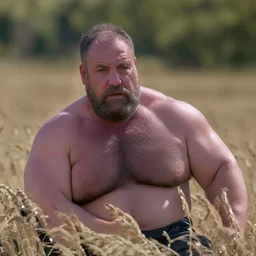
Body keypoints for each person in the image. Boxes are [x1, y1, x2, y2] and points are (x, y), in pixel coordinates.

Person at [24, 23, 248, 255]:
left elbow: (221, 169)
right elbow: (48, 207)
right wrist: (118, 236)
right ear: (84, 74)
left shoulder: (176, 117)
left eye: (123, 67)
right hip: (91, 247)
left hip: (176, 244)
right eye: (102, 70)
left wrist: (232, 234)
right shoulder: (58, 133)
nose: (115, 80)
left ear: (135, 66)